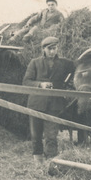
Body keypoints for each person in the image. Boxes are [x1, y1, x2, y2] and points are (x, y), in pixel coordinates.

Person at [22, 36, 76, 164]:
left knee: (51, 136)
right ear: (43, 49)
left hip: (54, 105)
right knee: (36, 135)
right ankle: (38, 163)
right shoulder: (35, 63)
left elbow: (78, 67)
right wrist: (40, 85)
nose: (52, 51)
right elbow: (26, 81)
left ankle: (51, 163)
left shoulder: (64, 63)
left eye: (55, 48)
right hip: (36, 104)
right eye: (49, 49)